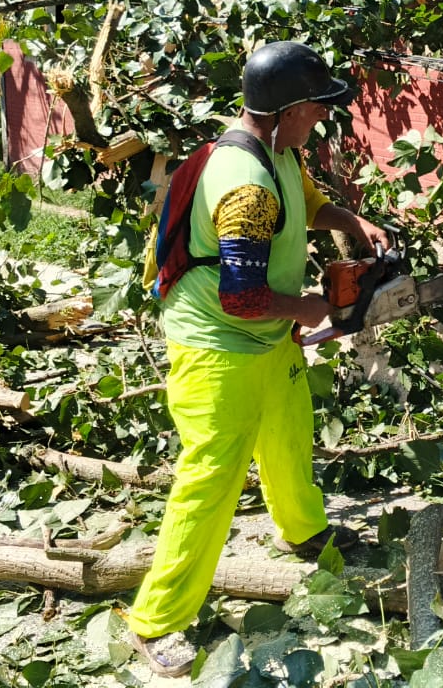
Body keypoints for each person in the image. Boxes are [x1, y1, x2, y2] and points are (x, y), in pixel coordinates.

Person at [127, 41, 389, 677]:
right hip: (218, 340)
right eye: (316, 109)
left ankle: (303, 529)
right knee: (211, 479)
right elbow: (241, 295)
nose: (321, 119)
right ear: (290, 108)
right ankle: (156, 620)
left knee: (288, 433)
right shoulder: (244, 184)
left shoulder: (276, 150)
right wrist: (310, 309)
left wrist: (349, 224)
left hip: (265, 334)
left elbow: (308, 201)